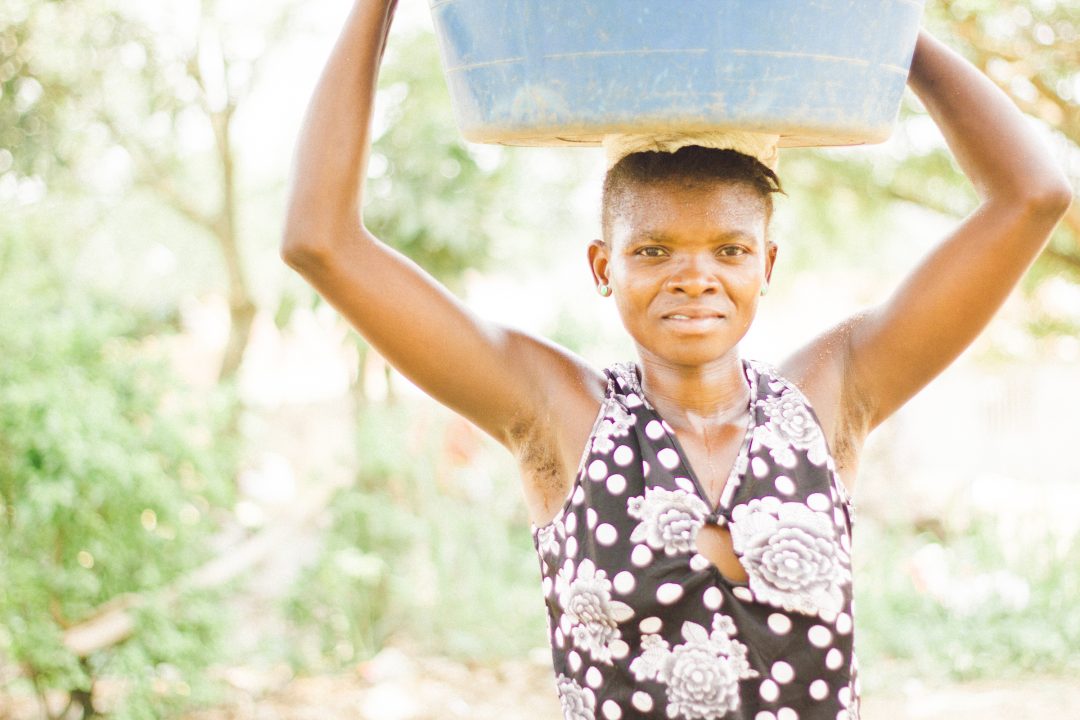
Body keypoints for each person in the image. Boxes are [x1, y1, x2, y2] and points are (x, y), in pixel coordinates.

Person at [280, 1, 1072, 718]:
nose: (695, 276)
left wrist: (881, 31)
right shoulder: (558, 414)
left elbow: (1032, 195)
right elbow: (321, 242)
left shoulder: (833, 396)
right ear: (603, 267)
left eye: (729, 249)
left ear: (767, 263)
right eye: (654, 250)